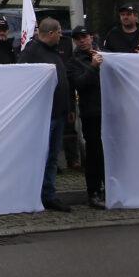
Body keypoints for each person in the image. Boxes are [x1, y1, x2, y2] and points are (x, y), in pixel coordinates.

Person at [20, 17, 97, 212]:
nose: (62, 36)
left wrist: (69, 107)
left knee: (53, 156)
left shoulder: (54, 52)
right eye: (60, 32)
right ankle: (37, 193)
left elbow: (65, 83)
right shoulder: (31, 52)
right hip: (44, 114)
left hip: (59, 112)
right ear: (51, 33)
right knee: (43, 156)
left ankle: (49, 194)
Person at [70, 26, 105, 208]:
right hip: (91, 112)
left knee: (109, 151)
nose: (82, 40)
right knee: (93, 153)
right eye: (78, 38)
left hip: (109, 111)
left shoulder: (105, 54)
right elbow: (79, 84)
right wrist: (93, 67)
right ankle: (94, 191)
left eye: (84, 36)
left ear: (91, 37)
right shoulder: (75, 61)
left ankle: (110, 187)